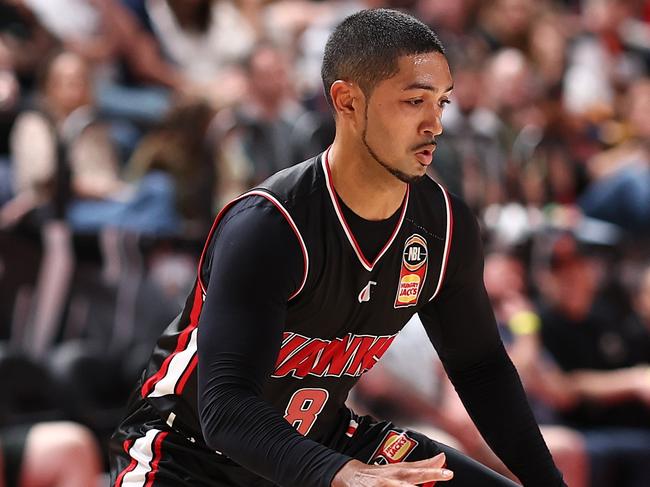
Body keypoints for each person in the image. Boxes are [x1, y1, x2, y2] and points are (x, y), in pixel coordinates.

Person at [110, 9, 566, 487]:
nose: (435, 124)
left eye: (442, 102)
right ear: (347, 101)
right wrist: (340, 475)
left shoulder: (445, 227)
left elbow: (481, 369)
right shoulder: (269, 225)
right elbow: (226, 410)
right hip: (186, 454)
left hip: (320, 437)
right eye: (415, 101)